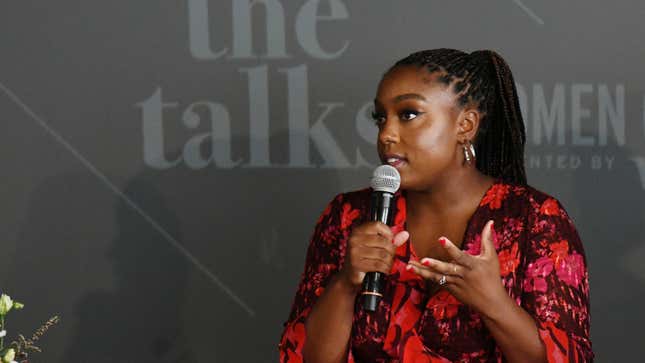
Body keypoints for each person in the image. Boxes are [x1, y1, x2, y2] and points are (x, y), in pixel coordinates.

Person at [278, 49, 593, 362]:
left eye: (408, 114)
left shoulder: (536, 220)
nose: (386, 134)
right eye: (380, 118)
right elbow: (305, 357)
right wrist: (347, 282)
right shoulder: (348, 216)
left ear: (465, 125)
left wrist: (495, 304)